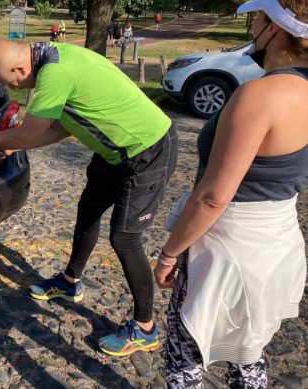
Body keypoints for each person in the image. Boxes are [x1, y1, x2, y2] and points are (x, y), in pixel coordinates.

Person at [0, 40, 178, 357]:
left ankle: (145, 327)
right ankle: (69, 281)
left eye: (12, 84)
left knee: (124, 237)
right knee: (88, 211)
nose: (17, 90)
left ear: (21, 69)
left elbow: (32, 132)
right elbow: (60, 128)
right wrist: (15, 143)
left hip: (147, 150)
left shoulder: (55, 72)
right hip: (114, 151)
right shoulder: (53, 55)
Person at [154, 0, 308, 387]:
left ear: (274, 27)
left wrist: (169, 252)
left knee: (186, 356)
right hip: (280, 240)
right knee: (249, 350)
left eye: (257, 18)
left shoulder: (260, 96)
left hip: (227, 248)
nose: (253, 26)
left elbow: (212, 198)